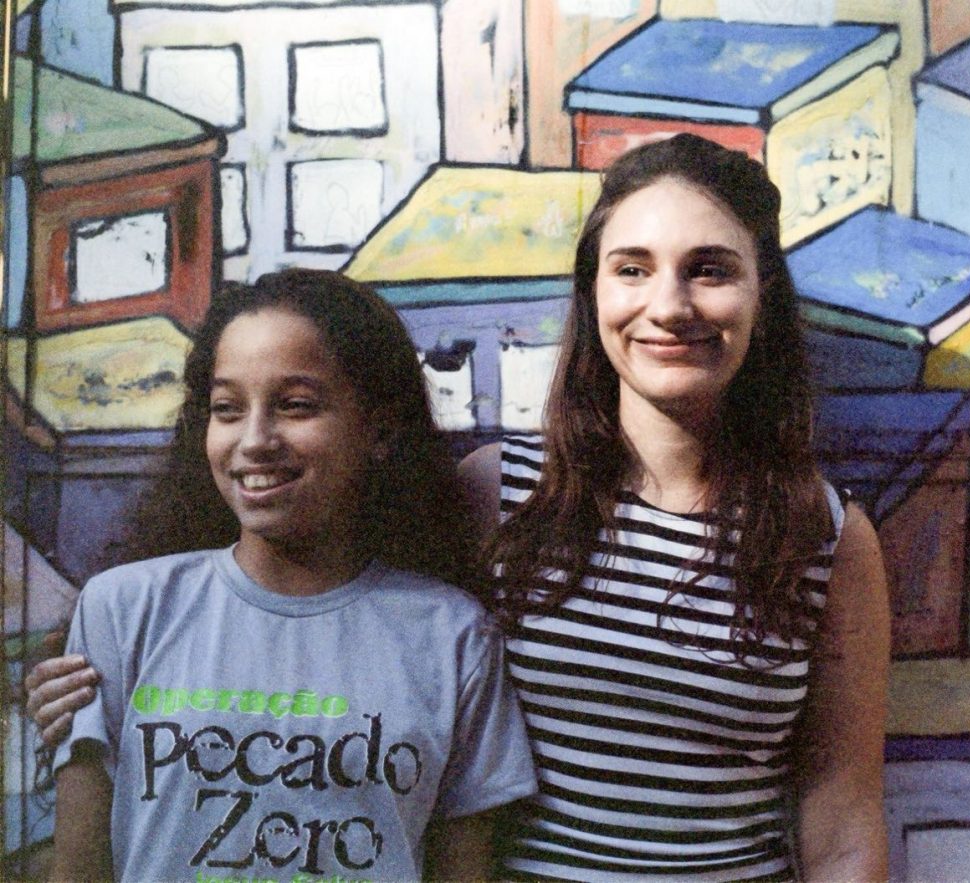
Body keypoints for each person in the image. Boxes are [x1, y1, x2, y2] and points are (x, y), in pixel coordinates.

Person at [29, 134, 890, 882]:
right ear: (594, 293)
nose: (668, 304)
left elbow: (842, 823)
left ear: (762, 294)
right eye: (632, 268)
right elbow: (315, 614)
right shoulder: (500, 493)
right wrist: (99, 683)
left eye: (710, 269)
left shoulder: (826, 535)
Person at [40, 269, 537, 882]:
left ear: (379, 430)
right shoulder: (123, 610)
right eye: (227, 409)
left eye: (296, 405)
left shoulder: (454, 637)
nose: (254, 440)